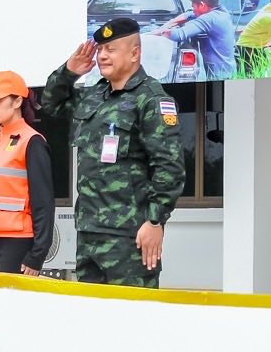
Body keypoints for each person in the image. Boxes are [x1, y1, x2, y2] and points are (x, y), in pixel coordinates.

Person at [42, 17, 187, 287]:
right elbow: (51, 104)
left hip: (129, 235)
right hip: (88, 231)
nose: (102, 56)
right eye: (100, 50)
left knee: (133, 318)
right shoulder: (95, 96)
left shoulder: (152, 99)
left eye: (111, 49)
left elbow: (169, 167)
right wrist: (69, 72)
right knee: (91, 318)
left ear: (135, 53)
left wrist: (155, 221)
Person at [0, 70, 55, 275]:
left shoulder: (31, 141)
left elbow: (43, 203)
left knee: (11, 304)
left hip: (15, 242)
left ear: (17, 101)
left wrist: (37, 254)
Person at [161, 0, 236, 78]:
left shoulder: (209, 18)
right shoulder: (222, 12)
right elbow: (189, 15)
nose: (193, 10)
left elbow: (179, 35)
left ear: (202, 5)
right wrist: (170, 23)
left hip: (218, 74)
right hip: (229, 69)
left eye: (193, 7)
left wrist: (159, 32)